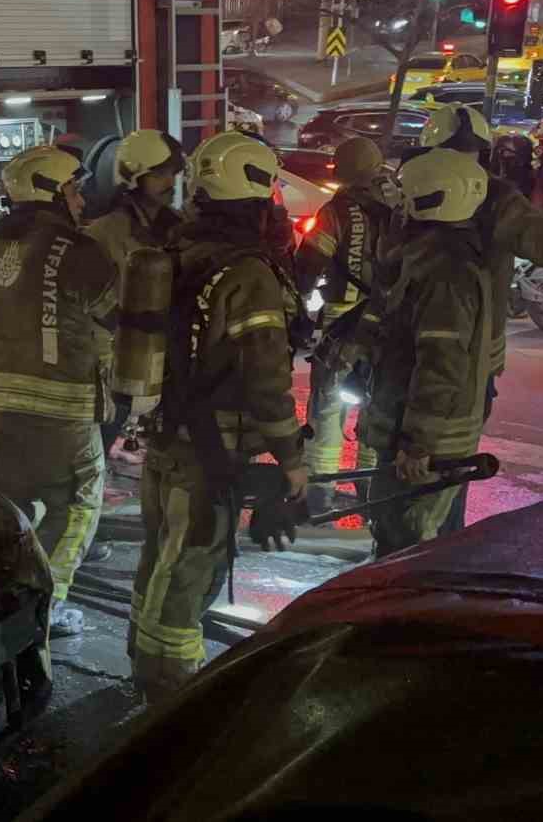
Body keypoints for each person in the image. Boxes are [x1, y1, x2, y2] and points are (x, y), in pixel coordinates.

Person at [128, 132, 306, 698]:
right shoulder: (248, 274)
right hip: (209, 449)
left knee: (161, 552)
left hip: (165, 436)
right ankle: (169, 684)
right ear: (255, 193)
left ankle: (147, 657)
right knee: (190, 565)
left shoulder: (179, 252)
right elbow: (266, 380)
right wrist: (292, 458)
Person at [417, 105, 543, 536]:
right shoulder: (428, 192)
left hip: (456, 349)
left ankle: (433, 551)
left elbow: (537, 234)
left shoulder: (493, 198)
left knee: (443, 458)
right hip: (447, 347)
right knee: (443, 456)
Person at [0, 145, 119, 638]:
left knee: (15, 503)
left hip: (0, 404)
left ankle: (7, 596)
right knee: (79, 506)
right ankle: (47, 606)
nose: (81, 199)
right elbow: (118, 317)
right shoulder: (81, 250)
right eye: (73, 188)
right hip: (63, 404)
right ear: (52, 191)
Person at [358, 149, 494, 557]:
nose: (399, 205)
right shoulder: (435, 256)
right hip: (413, 433)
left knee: (407, 545)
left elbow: (441, 362)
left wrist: (420, 443)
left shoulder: (445, 271)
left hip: (424, 445)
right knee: (400, 536)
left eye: (404, 195)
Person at [294, 137, 390, 517]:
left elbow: (308, 264)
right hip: (384, 321)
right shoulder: (397, 210)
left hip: (342, 319)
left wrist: (296, 308)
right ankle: (370, 495)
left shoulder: (335, 213)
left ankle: (321, 497)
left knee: (328, 407)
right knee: (375, 404)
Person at [85, 129, 187, 455]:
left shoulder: (179, 228)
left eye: (172, 173)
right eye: (159, 175)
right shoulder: (104, 233)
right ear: (134, 178)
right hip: (115, 364)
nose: (169, 182)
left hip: (165, 356)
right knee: (96, 449)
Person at [490, 133, 535, 199]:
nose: (499, 152)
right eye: (499, 149)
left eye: (505, 150)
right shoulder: (498, 169)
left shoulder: (524, 180)